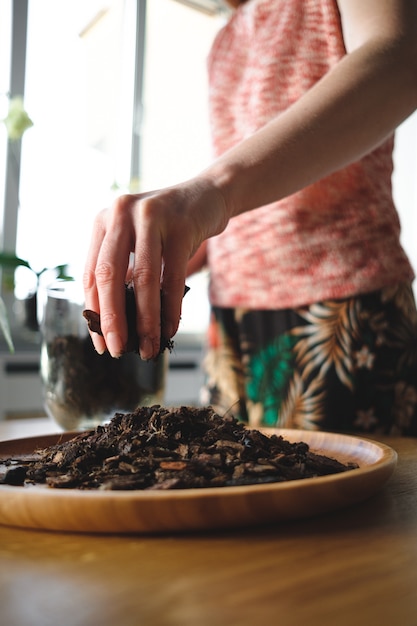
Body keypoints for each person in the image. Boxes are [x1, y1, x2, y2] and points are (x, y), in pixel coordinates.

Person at [83, 0, 417, 435]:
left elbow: (399, 59)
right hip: (229, 330)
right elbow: (251, 197)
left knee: (342, 498)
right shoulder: (225, 39)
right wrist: (172, 253)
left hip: (341, 317)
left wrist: (206, 193)